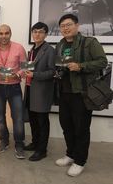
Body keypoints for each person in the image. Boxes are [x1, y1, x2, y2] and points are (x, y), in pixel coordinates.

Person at [55, 14, 107, 176]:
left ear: (77, 26)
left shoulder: (90, 42)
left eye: (69, 24)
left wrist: (81, 66)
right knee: (66, 126)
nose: (65, 28)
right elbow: (61, 64)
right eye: (62, 26)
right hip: (65, 92)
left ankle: (80, 161)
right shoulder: (61, 45)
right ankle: (70, 154)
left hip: (82, 93)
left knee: (81, 128)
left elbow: (102, 61)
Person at [0, 24, 27, 159]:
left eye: (6, 33)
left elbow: (25, 67)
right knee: (0, 118)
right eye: (1, 33)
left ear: (10, 33)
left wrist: (18, 75)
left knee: (18, 118)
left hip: (14, 87)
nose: (3, 36)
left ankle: (19, 144)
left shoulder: (19, 48)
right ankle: (4, 140)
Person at [23, 22, 55, 161]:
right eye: (35, 32)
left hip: (42, 91)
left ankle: (42, 150)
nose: (37, 34)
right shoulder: (32, 50)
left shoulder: (49, 50)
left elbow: (52, 72)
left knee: (42, 121)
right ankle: (35, 143)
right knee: (33, 120)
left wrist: (34, 75)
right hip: (30, 89)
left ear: (46, 34)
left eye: (41, 32)